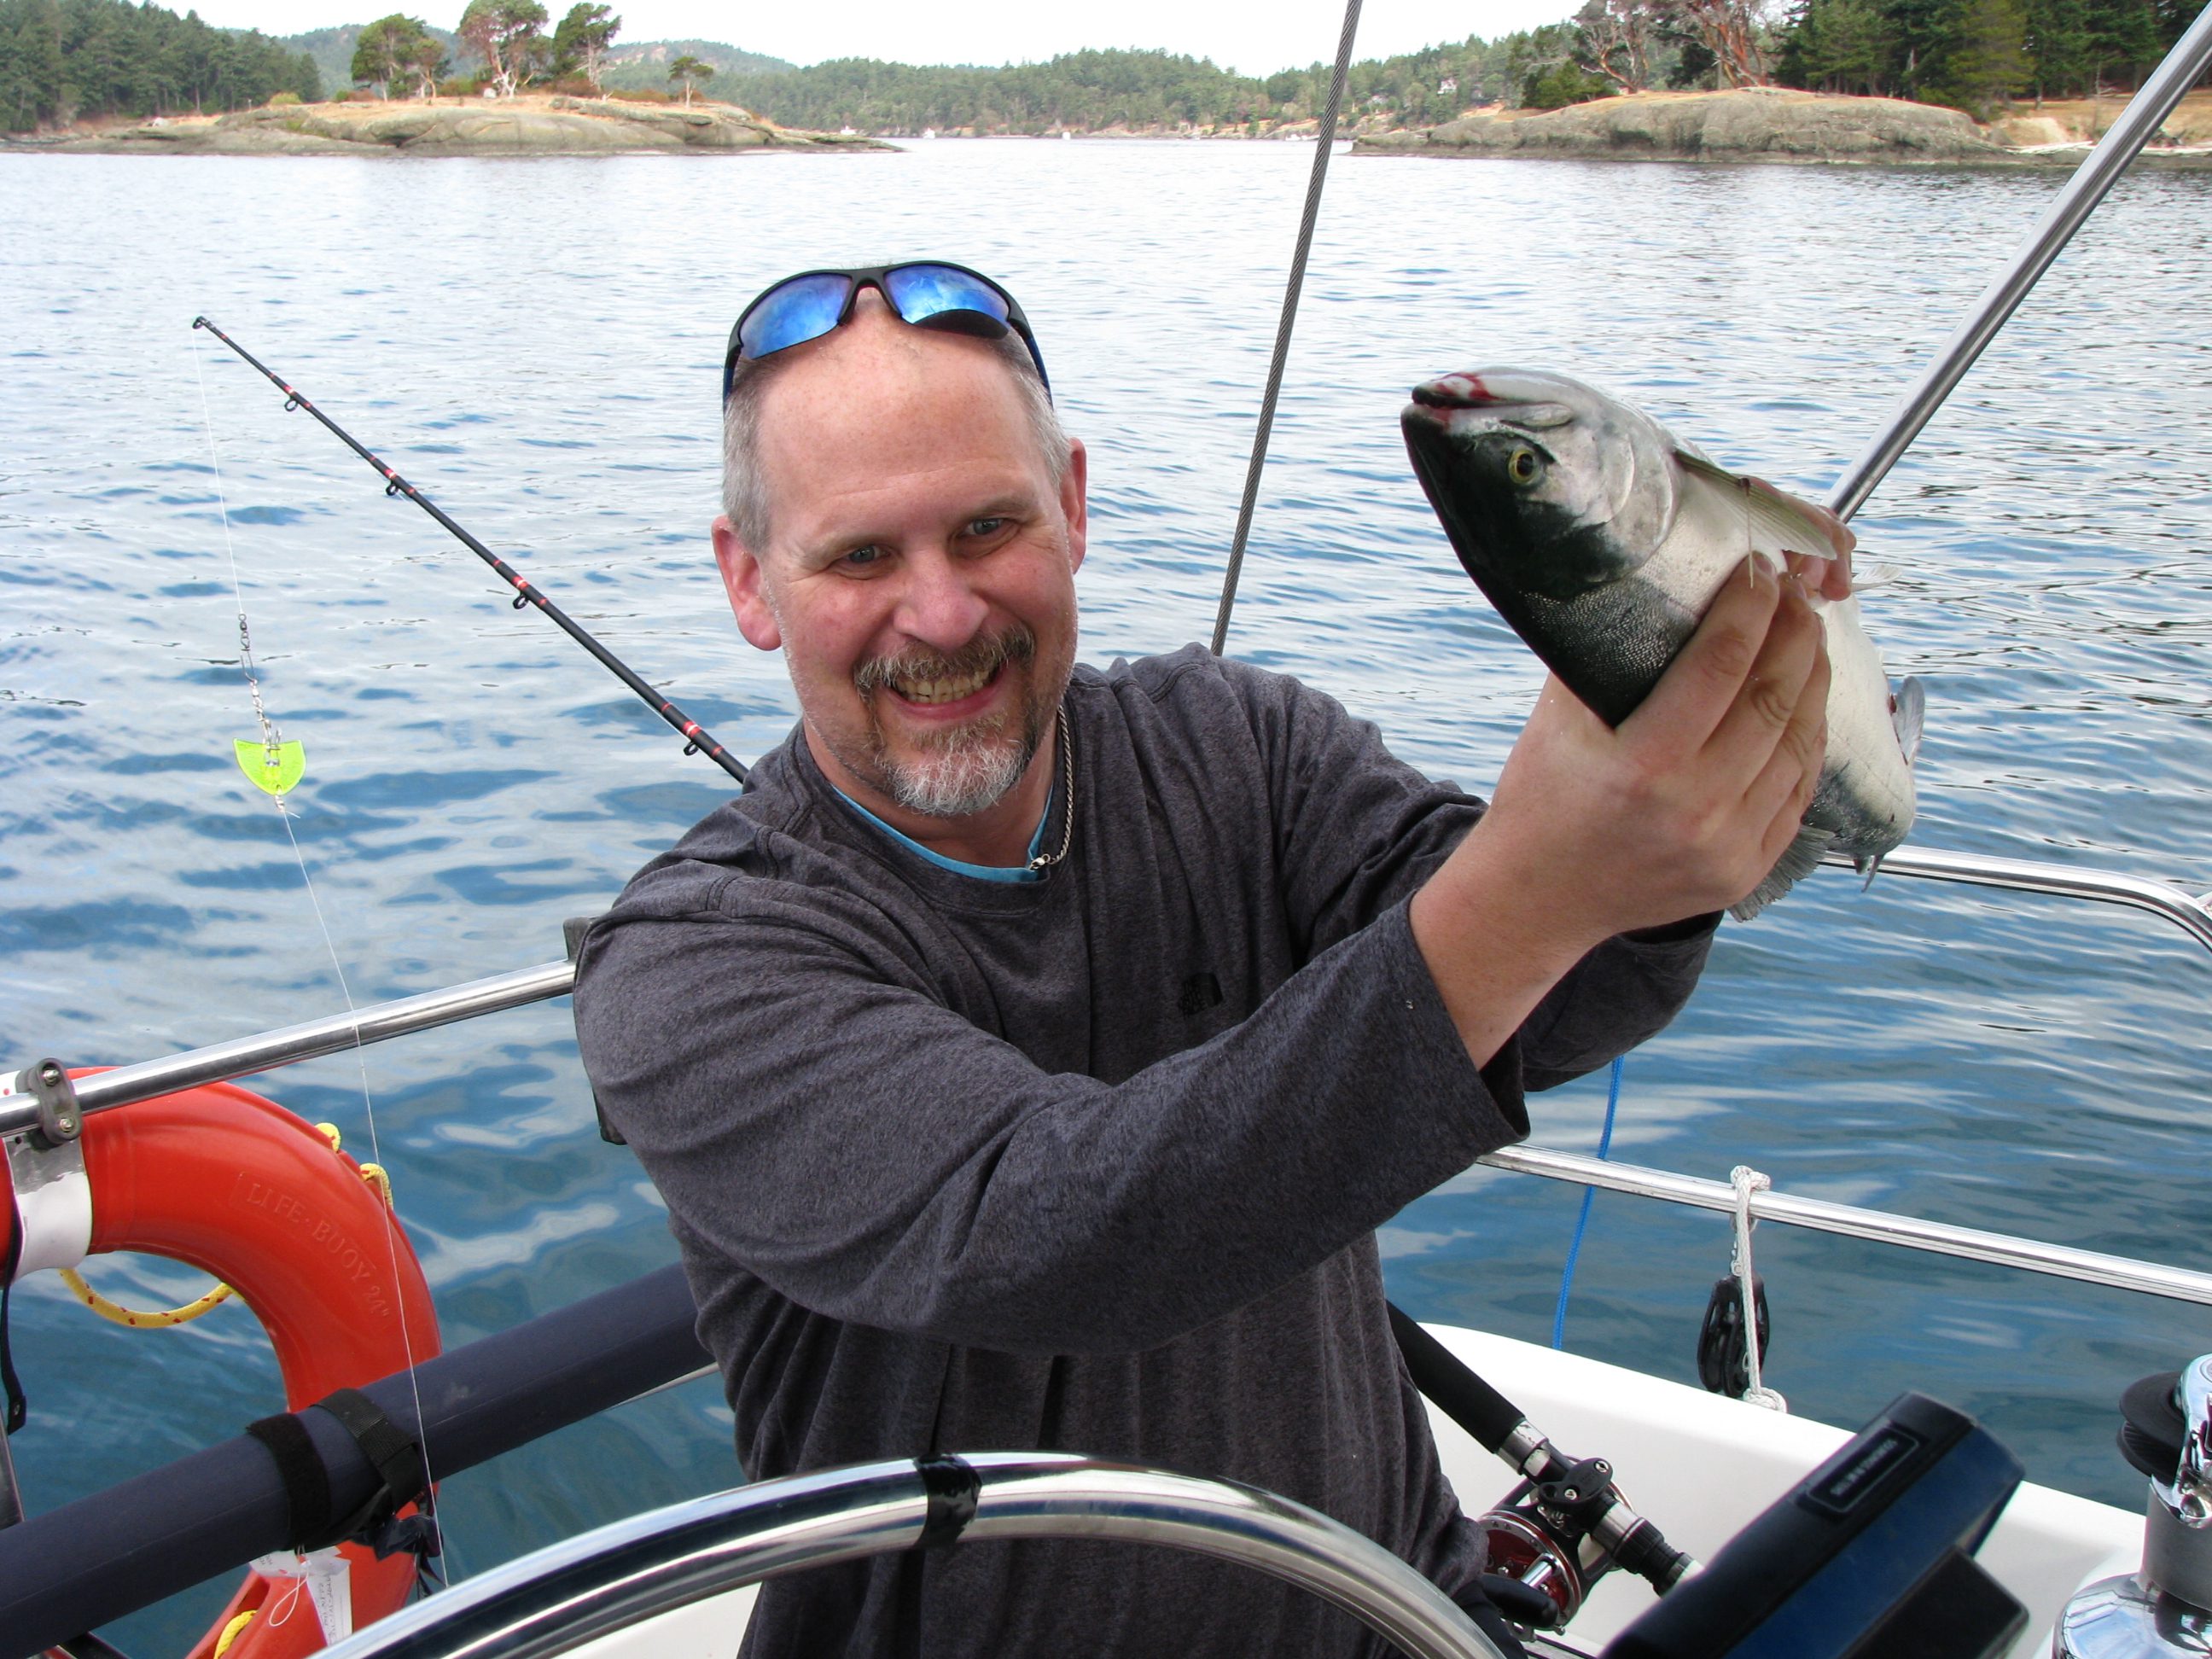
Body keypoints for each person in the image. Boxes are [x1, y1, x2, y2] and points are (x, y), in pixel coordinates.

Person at [573, 261, 1840, 1658]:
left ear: (1073, 503)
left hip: (1398, 1616)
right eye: (860, 556)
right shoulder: (692, 964)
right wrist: (1536, 887)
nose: (939, 617)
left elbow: (1560, 995)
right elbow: (1060, 1234)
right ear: (751, 580)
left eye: (989, 527)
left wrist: (1662, 849)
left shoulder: (1237, 748)